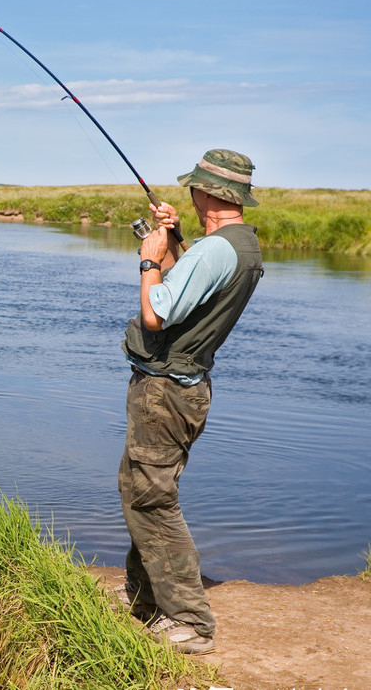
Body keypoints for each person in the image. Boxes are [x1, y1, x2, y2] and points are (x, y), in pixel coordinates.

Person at [116, 148, 264, 655]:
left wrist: (149, 258)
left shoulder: (216, 250)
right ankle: (144, 595)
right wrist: (177, 238)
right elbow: (189, 288)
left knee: (153, 498)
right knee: (139, 486)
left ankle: (189, 622)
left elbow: (159, 312)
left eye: (194, 187)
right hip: (181, 390)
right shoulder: (237, 244)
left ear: (211, 193)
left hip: (165, 393)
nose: (189, 193)